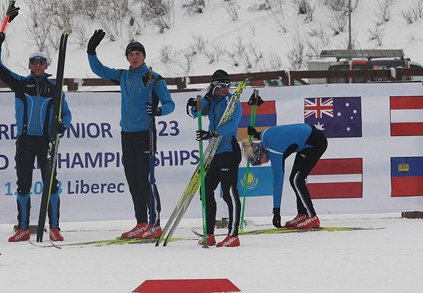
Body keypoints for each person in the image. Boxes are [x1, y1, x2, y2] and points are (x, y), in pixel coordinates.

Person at [86, 29, 175, 239]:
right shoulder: (123, 75)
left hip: (146, 133)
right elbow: (100, 70)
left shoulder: (154, 78)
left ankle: (155, 224)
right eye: (131, 54)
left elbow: (170, 103)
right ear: (127, 57)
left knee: (147, 179)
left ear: (144, 56)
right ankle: (141, 222)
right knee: (133, 179)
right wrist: (91, 50)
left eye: (138, 54)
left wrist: (160, 111)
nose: (134, 57)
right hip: (127, 135)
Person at [0, 12, 72, 243]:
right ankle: (23, 228)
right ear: (29, 65)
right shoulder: (20, 83)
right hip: (26, 140)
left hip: (47, 140)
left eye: (41, 62)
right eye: (34, 62)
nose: (38, 65)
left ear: (46, 65)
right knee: (23, 184)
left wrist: (62, 126)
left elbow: (65, 114)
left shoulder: (54, 87)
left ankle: (54, 227)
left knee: (51, 184)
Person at [186, 70, 244, 247]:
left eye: (228, 85)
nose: (226, 89)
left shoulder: (232, 101)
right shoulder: (212, 101)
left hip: (228, 150)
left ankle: (233, 235)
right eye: (222, 86)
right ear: (214, 87)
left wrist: (213, 132)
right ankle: (209, 234)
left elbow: (233, 124)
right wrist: (205, 99)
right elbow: (195, 113)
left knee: (228, 192)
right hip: (213, 152)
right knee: (205, 190)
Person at [241, 123, 328, 229]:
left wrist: (276, 212)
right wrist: (256, 134)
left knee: (297, 180)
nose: (261, 164)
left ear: (261, 154)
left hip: (317, 143)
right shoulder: (264, 136)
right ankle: (302, 214)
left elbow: (278, 182)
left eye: (258, 162)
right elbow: (275, 134)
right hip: (306, 142)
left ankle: (312, 217)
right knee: (294, 179)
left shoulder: (274, 152)